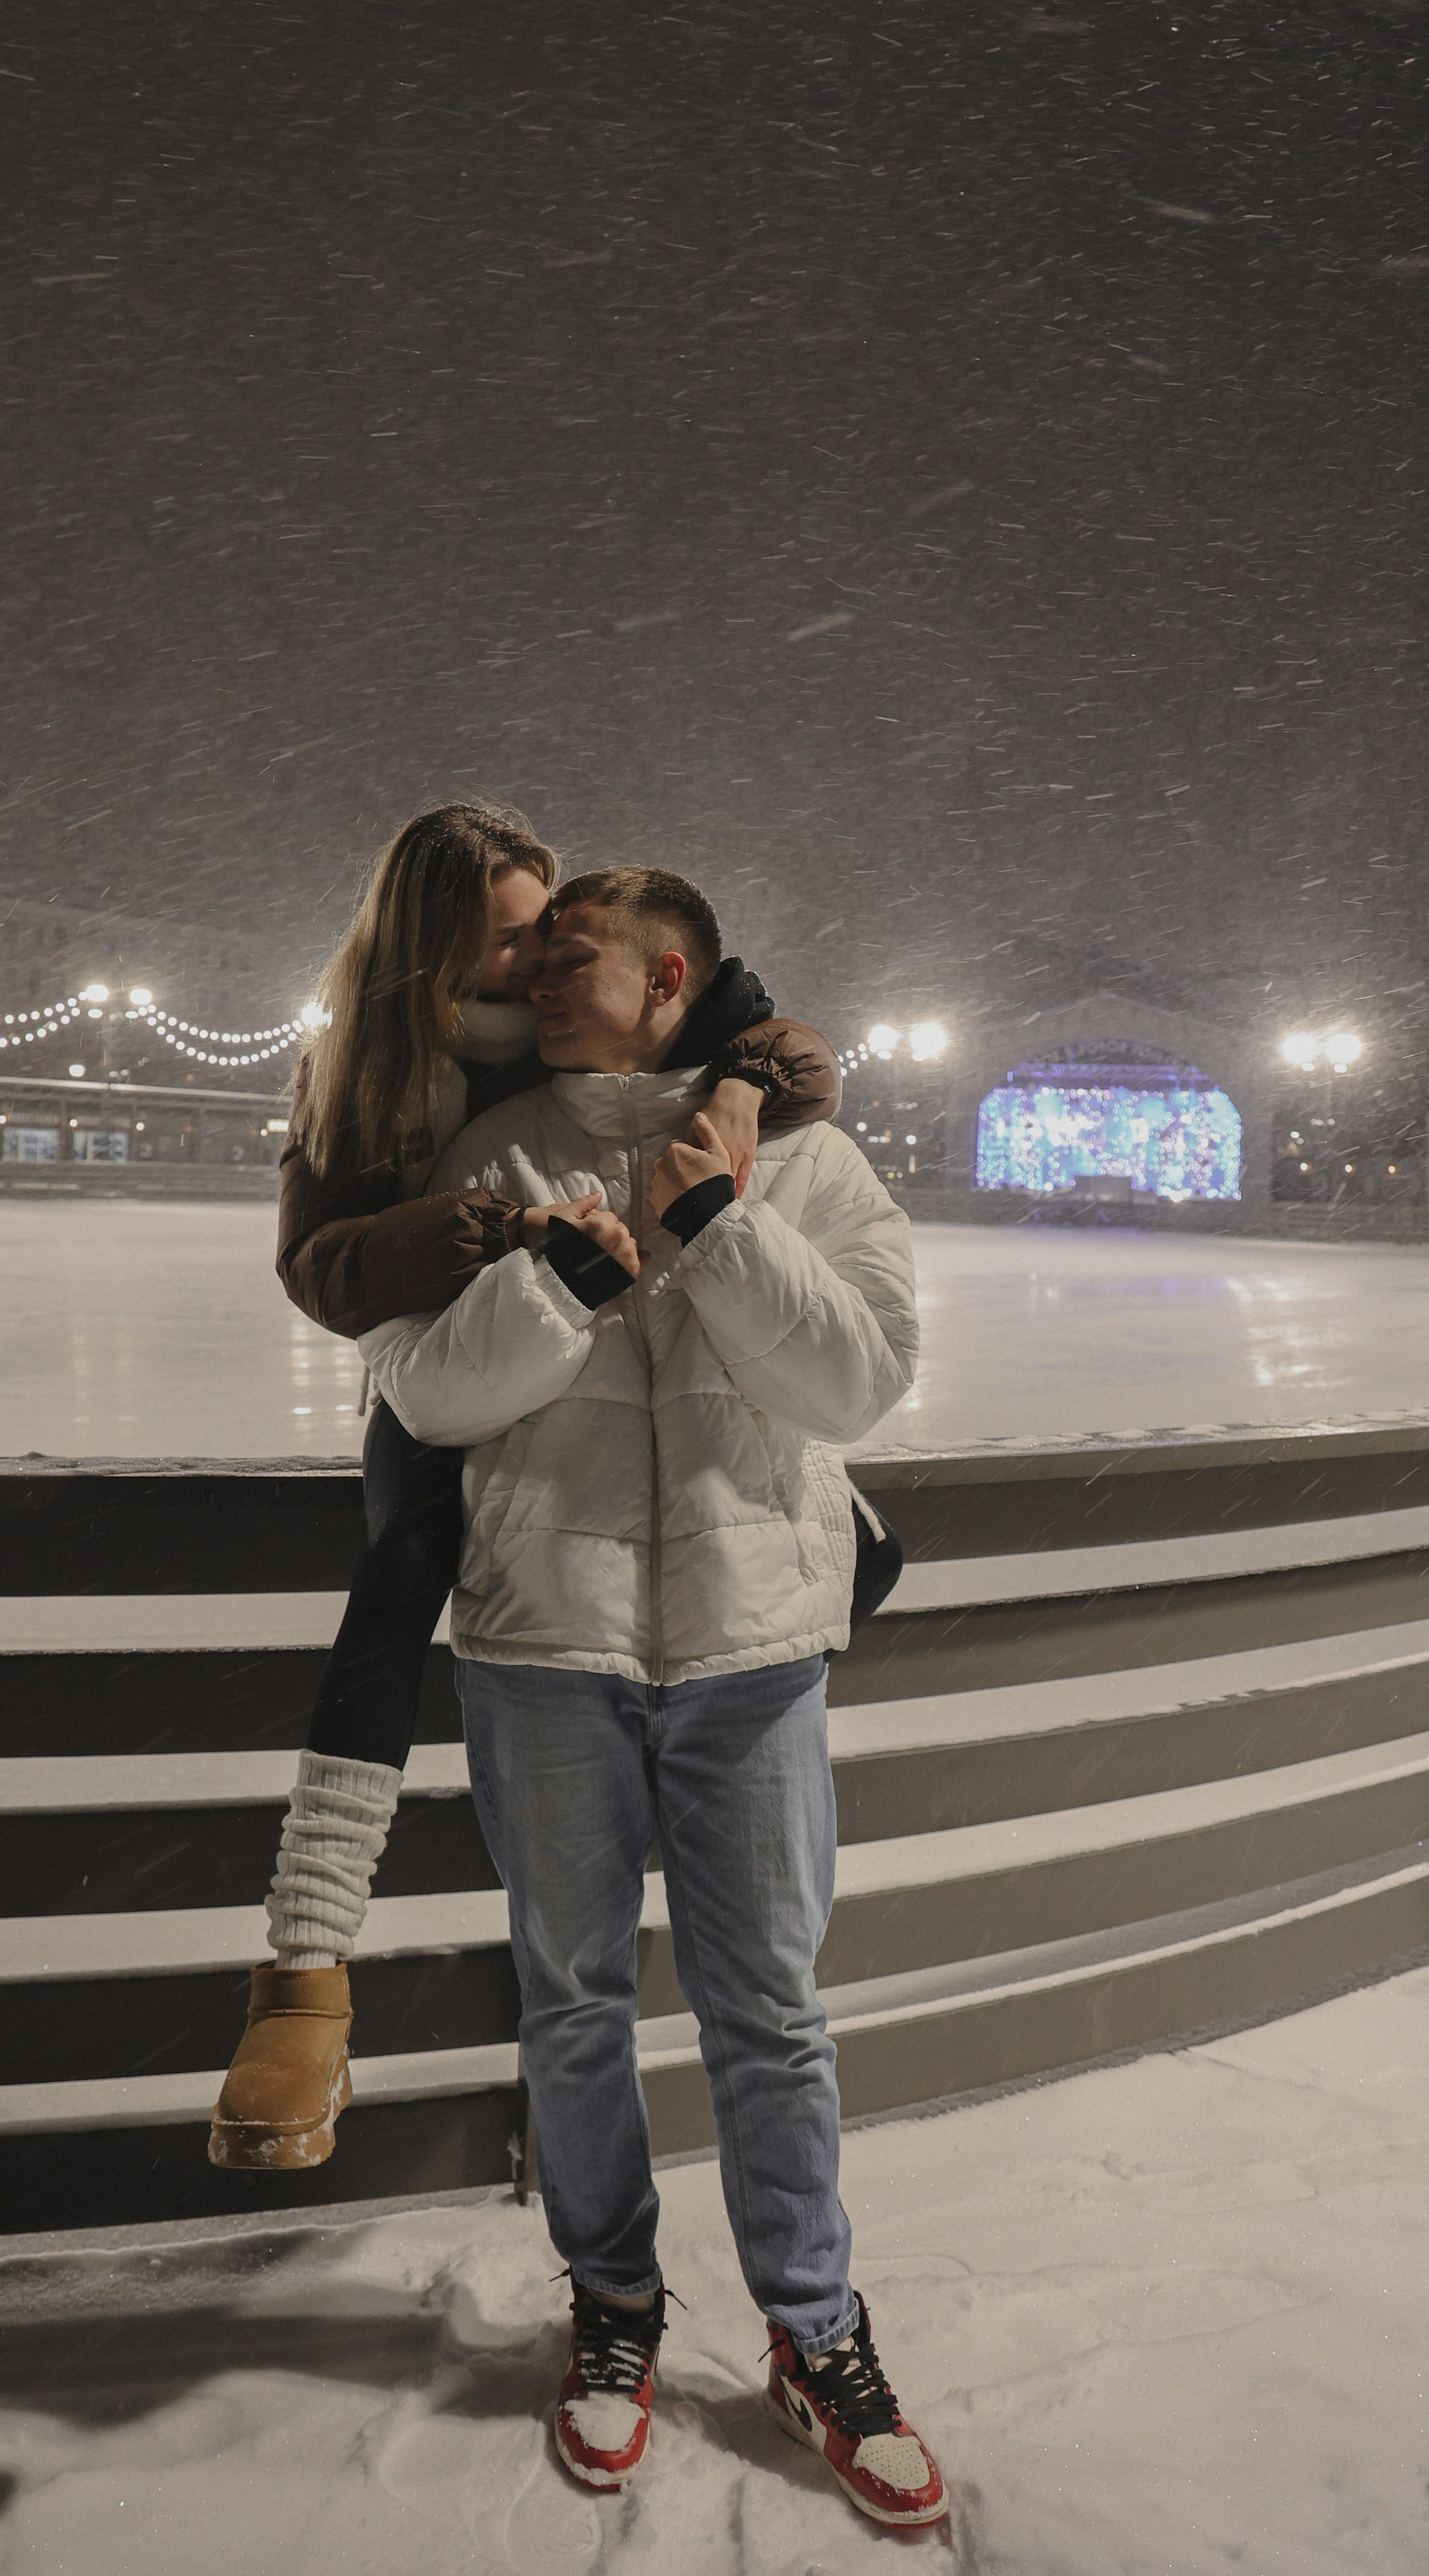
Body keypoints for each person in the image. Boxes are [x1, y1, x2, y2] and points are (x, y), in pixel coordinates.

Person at [350, 865, 946, 2531]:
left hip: (750, 1651)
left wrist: (716, 1227)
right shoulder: (490, 1156)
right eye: (532, 955)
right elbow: (425, 1390)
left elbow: (859, 1384)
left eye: (575, 955)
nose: (537, 975)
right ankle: (610, 2312)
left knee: (770, 2014)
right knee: (572, 2002)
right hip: (547, 1643)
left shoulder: (807, 1158)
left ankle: (814, 2332)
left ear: (668, 972)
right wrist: (561, 1287)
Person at [209, 805, 842, 2172]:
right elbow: (322, 1269)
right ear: (431, 944)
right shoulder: (371, 1070)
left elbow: (776, 1035)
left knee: (785, 1492)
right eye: (510, 939)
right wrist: (500, 1227)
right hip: (454, 1345)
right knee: (397, 1578)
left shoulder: (600, 1011)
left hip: (613, 1398)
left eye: (554, 936)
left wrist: (741, 1089)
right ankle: (305, 1977)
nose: (538, 964)